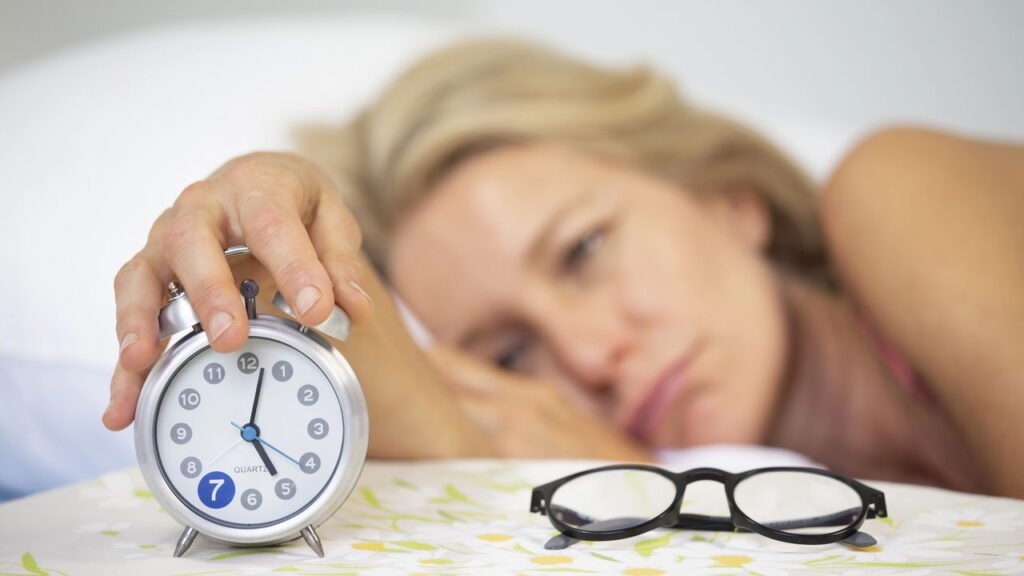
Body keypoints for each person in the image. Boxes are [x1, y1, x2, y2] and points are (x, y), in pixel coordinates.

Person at [103, 39, 1024, 498]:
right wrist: (263, 236)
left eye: (583, 251)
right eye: (510, 355)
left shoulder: (898, 188)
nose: (586, 357)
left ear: (727, 197)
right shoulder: (638, 485)